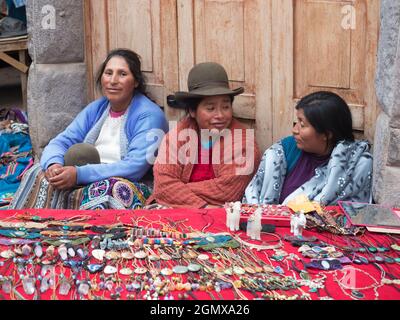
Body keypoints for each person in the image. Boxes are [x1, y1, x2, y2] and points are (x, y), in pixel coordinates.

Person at [10, 49, 168, 209]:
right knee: (39, 172)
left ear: (135, 82)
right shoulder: (97, 109)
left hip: (132, 182)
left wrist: (79, 174)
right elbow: (61, 141)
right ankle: (25, 226)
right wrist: (54, 165)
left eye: (122, 74)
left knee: (107, 190)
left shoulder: (149, 116)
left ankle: (77, 231)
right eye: (108, 73)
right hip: (88, 173)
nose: (113, 80)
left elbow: (135, 167)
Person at [147, 62, 260, 208]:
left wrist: (175, 191)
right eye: (210, 108)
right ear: (193, 111)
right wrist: (204, 207)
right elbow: (162, 184)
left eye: (225, 107)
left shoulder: (243, 141)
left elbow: (228, 192)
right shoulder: (180, 134)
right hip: (181, 210)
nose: (220, 115)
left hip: (219, 216)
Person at [244, 91, 373, 205]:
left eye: (302, 124)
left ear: (326, 134)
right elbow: (254, 194)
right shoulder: (285, 151)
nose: (294, 130)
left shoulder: (354, 167)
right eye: (297, 122)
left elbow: (352, 213)